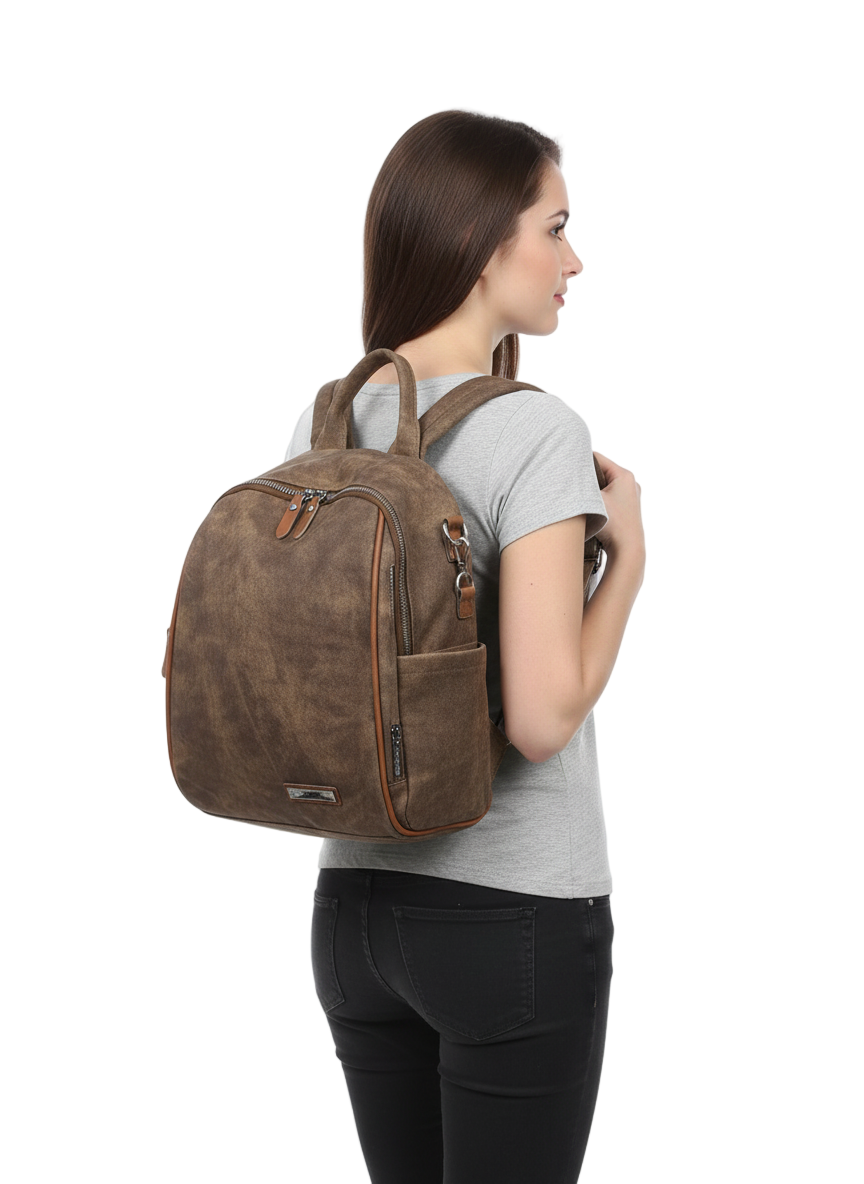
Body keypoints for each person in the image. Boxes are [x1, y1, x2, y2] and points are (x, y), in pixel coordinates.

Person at [284, 109, 645, 1184]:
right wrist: (626, 563)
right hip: (514, 920)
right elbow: (539, 718)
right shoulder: (537, 432)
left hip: (352, 913)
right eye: (556, 225)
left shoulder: (326, 423)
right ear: (487, 240)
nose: (573, 258)